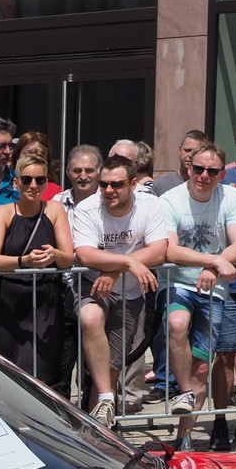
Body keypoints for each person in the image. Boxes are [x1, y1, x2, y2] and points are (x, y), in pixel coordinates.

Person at [160, 143, 236, 449]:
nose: (204, 175)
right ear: (188, 168)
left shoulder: (230, 196)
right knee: (177, 323)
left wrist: (215, 265)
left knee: (201, 367)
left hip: (215, 290)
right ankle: (184, 390)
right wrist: (213, 261)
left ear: (222, 173)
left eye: (212, 171)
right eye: (198, 169)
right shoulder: (170, 199)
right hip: (178, 283)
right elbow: (169, 249)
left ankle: (183, 438)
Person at [71, 156, 170, 428]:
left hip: (131, 294)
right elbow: (86, 254)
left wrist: (116, 270)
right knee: (90, 317)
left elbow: (159, 249)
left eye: (117, 184)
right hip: (93, 285)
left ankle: (99, 433)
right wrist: (128, 262)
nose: (108, 190)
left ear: (133, 184)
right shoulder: (88, 208)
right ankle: (104, 401)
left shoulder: (150, 205)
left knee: (110, 370)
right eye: (103, 184)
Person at [0, 151, 74, 383]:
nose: (33, 185)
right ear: (16, 182)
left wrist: (55, 255)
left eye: (40, 180)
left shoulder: (54, 210)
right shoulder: (3, 212)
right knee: (7, 373)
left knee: (41, 373)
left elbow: (68, 258)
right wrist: (24, 262)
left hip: (44, 301)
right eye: (26, 179)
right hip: (8, 301)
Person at [152, 131, 210, 197]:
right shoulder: (161, 186)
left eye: (196, 152)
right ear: (180, 151)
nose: (190, 155)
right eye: (187, 150)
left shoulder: (210, 185)